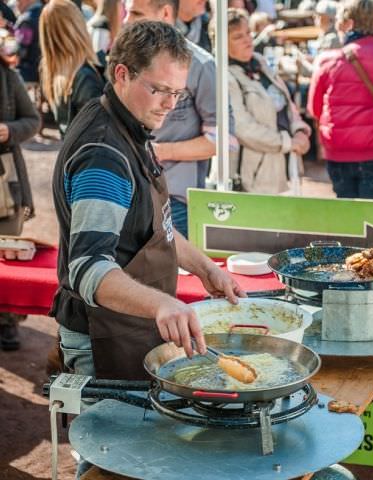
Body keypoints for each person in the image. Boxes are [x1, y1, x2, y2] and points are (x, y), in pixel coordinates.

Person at [51, 21, 245, 390]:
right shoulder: (102, 155)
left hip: (130, 327)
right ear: (122, 73)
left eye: (178, 94)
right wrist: (160, 305)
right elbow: (87, 268)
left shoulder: (131, 125)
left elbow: (159, 227)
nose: (169, 106)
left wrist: (205, 269)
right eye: (158, 90)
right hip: (103, 338)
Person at [125, 0, 234, 239]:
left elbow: (224, 140)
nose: (126, 20)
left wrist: (160, 151)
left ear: (165, 13)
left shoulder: (202, 65)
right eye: (126, 12)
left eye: (135, 13)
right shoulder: (127, 60)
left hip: (176, 204)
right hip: (128, 194)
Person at [307, 0, 373, 200]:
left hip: (339, 153)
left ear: (348, 24)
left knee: (347, 223)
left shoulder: (327, 61)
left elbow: (314, 109)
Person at [227, 8, 311, 193]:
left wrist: (299, 130)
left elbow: (286, 102)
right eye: (238, 37)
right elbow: (243, 128)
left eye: (248, 33)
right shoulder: (224, 76)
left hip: (285, 169)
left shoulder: (259, 62)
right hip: (254, 178)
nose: (247, 40)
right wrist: (287, 142)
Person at [0, 45, 41, 351]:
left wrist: (7, 131)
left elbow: (33, 120)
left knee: (6, 257)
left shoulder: (8, 76)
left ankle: (6, 323)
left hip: (6, 185)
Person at [39, 0, 106, 138]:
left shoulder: (55, 70)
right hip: (91, 155)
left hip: (72, 152)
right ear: (77, 25)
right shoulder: (83, 75)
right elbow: (99, 129)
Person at [14, 0, 43, 83]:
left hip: (28, 78)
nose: (16, 3)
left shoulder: (27, 20)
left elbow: (20, 52)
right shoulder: (47, 13)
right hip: (45, 75)